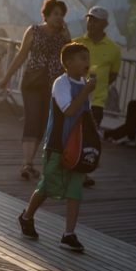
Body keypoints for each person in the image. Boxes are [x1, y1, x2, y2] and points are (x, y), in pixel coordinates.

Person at [17, 43, 97, 253]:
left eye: (87, 58)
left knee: (75, 189)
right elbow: (69, 110)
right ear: (68, 62)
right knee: (48, 186)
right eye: (82, 58)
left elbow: (84, 115)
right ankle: (27, 216)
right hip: (57, 145)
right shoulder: (61, 84)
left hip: (77, 146)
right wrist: (86, 91)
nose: (86, 63)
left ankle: (68, 234)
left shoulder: (84, 83)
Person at [0, 0, 71, 180]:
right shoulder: (34, 31)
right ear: (46, 15)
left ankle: (29, 163)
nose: (58, 18)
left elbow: (71, 56)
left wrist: (67, 35)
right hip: (33, 82)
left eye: (61, 15)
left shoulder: (62, 37)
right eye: (55, 14)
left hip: (52, 85)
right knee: (32, 119)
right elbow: (22, 55)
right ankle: (26, 163)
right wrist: (7, 77)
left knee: (43, 124)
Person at [72, 5, 120, 187]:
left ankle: (82, 174)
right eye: (89, 19)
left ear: (104, 24)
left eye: (95, 20)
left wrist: (98, 86)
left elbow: (113, 75)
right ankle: (67, 167)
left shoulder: (114, 49)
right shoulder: (76, 43)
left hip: (96, 102)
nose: (90, 23)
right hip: (75, 99)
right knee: (71, 135)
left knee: (89, 138)